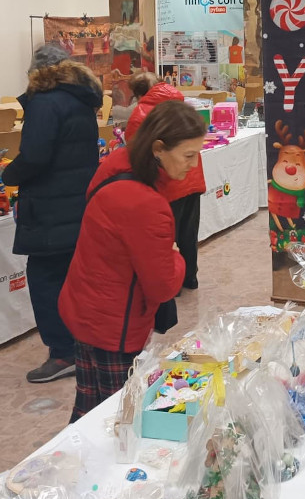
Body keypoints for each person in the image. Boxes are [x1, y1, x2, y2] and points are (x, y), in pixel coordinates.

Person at [61, 101, 205, 420]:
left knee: (88, 410)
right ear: (158, 149)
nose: (194, 165)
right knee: (120, 418)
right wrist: (176, 258)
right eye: (188, 155)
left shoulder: (117, 163)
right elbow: (163, 286)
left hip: (86, 307)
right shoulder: (146, 205)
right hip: (116, 323)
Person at [1, 45, 103, 383]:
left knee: (45, 279)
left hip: (50, 208)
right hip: (78, 203)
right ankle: (84, 344)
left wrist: (9, 175)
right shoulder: (81, 98)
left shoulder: (44, 103)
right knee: (75, 279)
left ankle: (62, 352)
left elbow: (35, 156)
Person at [125, 72, 207, 292]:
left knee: (169, 236)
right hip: (192, 179)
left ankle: (174, 284)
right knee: (189, 232)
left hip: (167, 184)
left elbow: (134, 149)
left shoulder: (141, 113)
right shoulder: (181, 106)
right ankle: (190, 277)